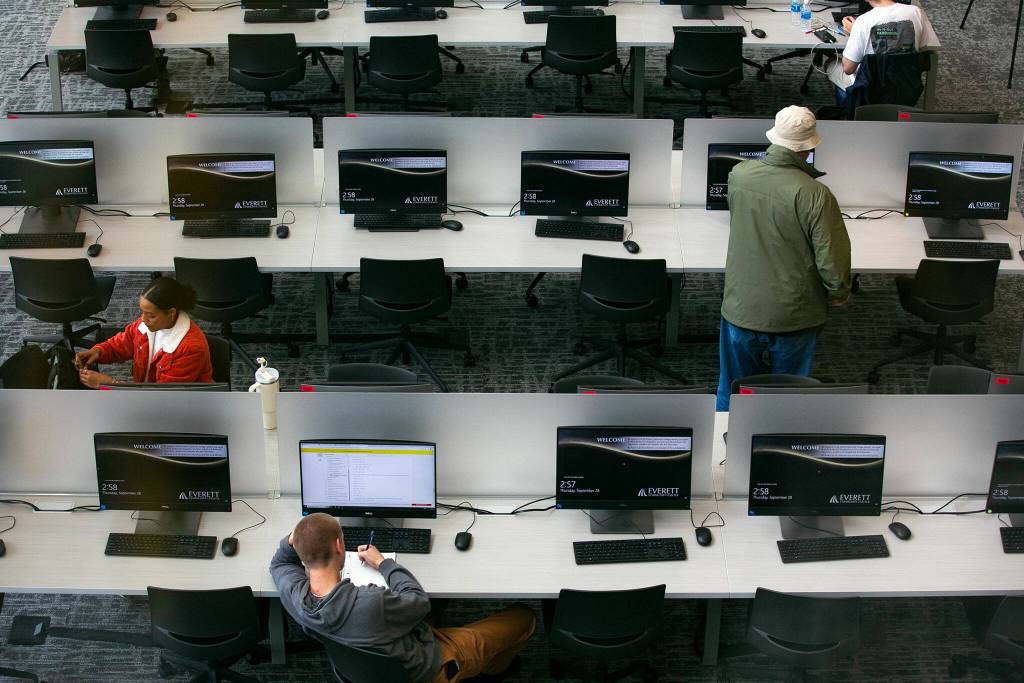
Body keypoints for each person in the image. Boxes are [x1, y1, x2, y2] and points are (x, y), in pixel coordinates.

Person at [270, 513, 536, 683]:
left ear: (300, 553)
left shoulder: (295, 597)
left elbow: (280, 563)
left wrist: (300, 535)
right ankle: (491, 670)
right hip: (426, 668)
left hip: (363, 667)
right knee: (524, 617)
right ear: (339, 546)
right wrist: (382, 562)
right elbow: (418, 601)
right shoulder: (370, 603)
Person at [716, 106, 851, 411]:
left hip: (742, 306)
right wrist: (838, 292)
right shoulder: (816, 194)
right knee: (789, 395)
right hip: (795, 315)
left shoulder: (739, 175)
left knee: (731, 389)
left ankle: (725, 452)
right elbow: (831, 259)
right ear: (808, 147)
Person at [75, 277, 213, 388]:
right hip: (145, 396)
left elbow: (163, 399)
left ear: (171, 313)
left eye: (151, 315)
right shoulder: (146, 324)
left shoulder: (191, 348)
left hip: (176, 406)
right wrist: (98, 351)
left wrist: (109, 384)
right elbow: (122, 343)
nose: (144, 319)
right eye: (143, 312)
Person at [829, 0, 939, 100]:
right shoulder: (915, 12)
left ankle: (850, 112)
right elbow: (922, 51)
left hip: (869, 89)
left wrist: (854, 32)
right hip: (906, 85)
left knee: (831, 65)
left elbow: (848, 69)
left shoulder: (863, 21)